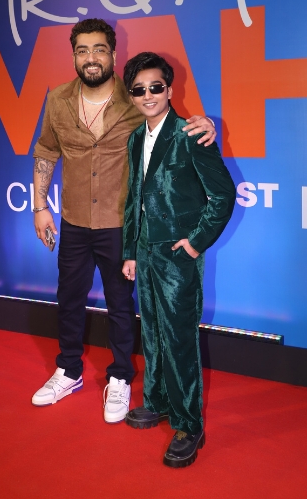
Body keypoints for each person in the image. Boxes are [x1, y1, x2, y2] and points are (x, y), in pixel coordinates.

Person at [30, 19, 217, 425]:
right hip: (74, 219)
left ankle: (120, 376)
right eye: (82, 50)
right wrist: (39, 205)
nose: (91, 57)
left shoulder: (134, 96)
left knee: (120, 303)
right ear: (74, 56)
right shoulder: (58, 100)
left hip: (121, 223)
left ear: (113, 54)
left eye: (99, 49)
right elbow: (46, 150)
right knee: (69, 299)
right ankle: (69, 371)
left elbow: (168, 124)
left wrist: (205, 124)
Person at [120, 52, 235, 467]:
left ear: (169, 89)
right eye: (139, 90)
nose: (148, 95)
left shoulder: (191, 133)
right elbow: (134, 198)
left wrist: (195, 243)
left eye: (155, 87)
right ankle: (158, 401)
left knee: (180, 339)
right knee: (151, 331)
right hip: (145, 253)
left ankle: (189, 424)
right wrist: (130, 251)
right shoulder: (135, 138)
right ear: (131, 95)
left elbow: (223, 195)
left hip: (177, 256)